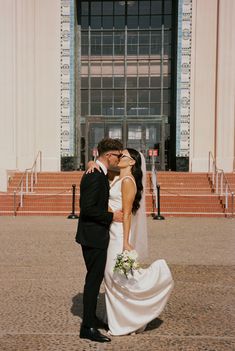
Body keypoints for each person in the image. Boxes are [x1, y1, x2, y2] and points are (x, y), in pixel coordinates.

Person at [88, 148, 174, 336]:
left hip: (119, 234)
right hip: (110, 230)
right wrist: (91, 163)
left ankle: (127, 320)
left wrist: (126, 242)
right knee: (112, 277)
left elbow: (127, 214)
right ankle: (118, 318)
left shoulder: (128, 181)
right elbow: (105, 190)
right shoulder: (117, 177)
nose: (119, 158)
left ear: (132, 162)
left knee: (115, 276)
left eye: (123, 156)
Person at [75, 138, 123, 343]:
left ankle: (91, 318)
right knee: (93, 281)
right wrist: (112, 216)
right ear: (109, 155)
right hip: (93, 236)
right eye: (118, 156)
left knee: (95, 279)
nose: (119, 160)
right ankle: (87, 327)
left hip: (95, 235)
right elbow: (87, 209)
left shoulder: (99, 172)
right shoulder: (95, 176)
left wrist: (90, 161)